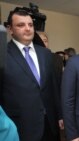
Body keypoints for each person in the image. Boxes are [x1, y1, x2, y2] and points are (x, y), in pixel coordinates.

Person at [2, 8, 61, 141]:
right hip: (21, 126)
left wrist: (60, 115)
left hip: (49, 124)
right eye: (20, 25)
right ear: (10, 29)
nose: (28, 29)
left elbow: (53, 88)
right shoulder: (3, 54)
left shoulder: (45, 54)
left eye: (30, 24)